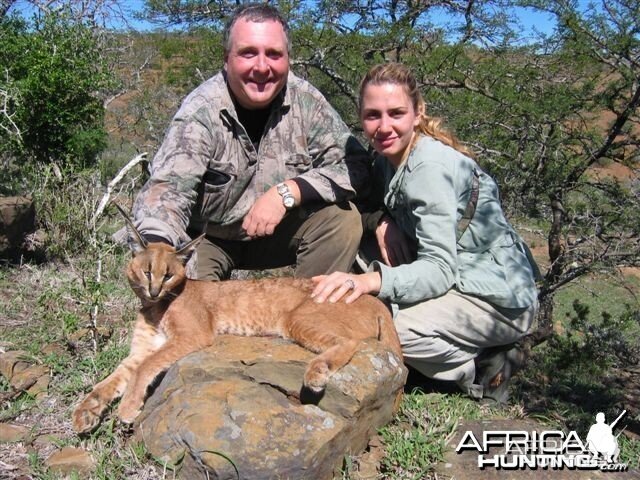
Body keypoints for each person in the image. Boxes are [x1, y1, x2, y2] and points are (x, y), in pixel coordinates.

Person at [312, 63, 539, 402]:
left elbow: (440, 269)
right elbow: (367, 200)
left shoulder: (430, 169)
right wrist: (384, 222)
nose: (384, 126)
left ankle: (478, 366)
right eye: (373, 115)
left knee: (393, 331)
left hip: (499, 298)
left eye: (396, 113)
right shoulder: (386, 158)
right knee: (359, 241)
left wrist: (367, 281)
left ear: (418, 114)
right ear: (360, 117)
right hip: (460, 274)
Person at [131, 3, 370, 280]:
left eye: (274, 54)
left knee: (342, 221)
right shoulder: (200, 111)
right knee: (182, 301)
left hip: (278, 233)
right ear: (226, 58)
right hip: (209, 239)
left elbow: (355, 166)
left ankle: (309, 315)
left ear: (288, 59)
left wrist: (289, 192)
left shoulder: (306, 101)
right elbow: (168, 189)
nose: (261, 66)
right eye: (248, 53)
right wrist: (157, 246)